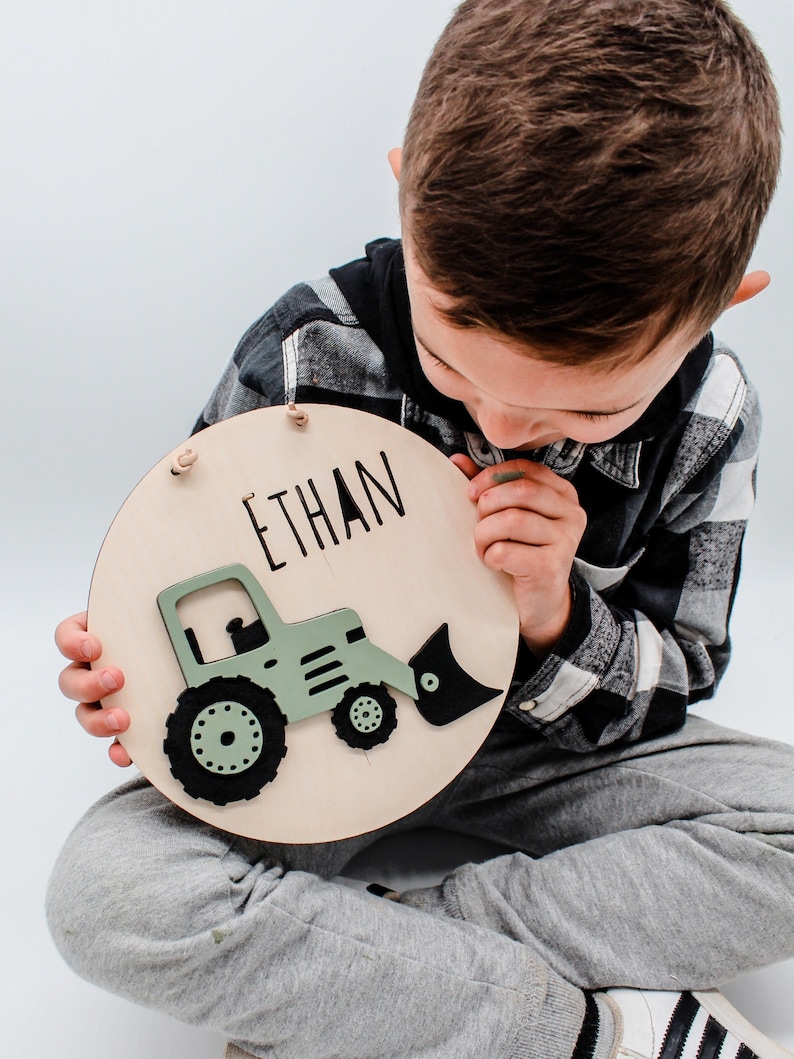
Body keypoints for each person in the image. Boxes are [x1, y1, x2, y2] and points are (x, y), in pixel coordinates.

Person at [48, 2, 794, 1057]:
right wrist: (126, 668)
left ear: (719, 302)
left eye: (584, 412)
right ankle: (571, 1030)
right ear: (405, 197)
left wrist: (554, 614)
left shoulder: (710, 417)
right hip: (321, 750)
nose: (500, 430)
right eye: (452, 367)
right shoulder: (308, 352)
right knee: (108, 897)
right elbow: (196, 557)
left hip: (535, 750)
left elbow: (682, 674)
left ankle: (371, 969)